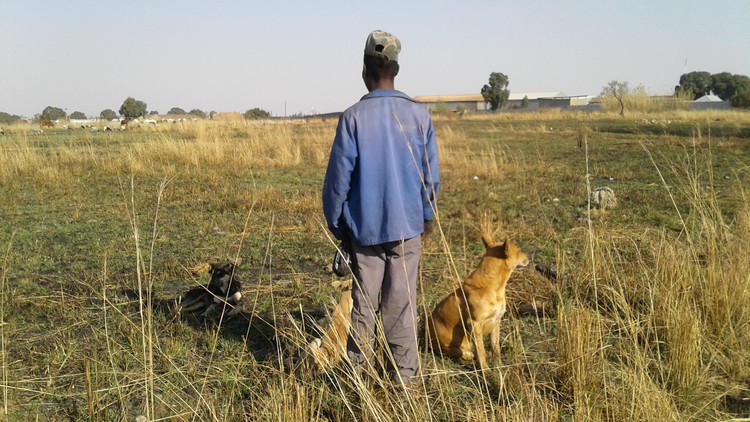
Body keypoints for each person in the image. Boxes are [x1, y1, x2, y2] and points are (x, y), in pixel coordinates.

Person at [322, 30, 440, 387]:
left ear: (365, 69)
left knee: (363, 306)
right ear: (396, 68)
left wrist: (339, 226)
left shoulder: (352, 118)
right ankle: (406, 384)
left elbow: (337, 183)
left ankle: (357, 379)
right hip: (408, 229)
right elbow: (430, 179)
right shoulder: (419, 116)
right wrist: (426, 219)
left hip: (364, 232)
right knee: (402, 306)